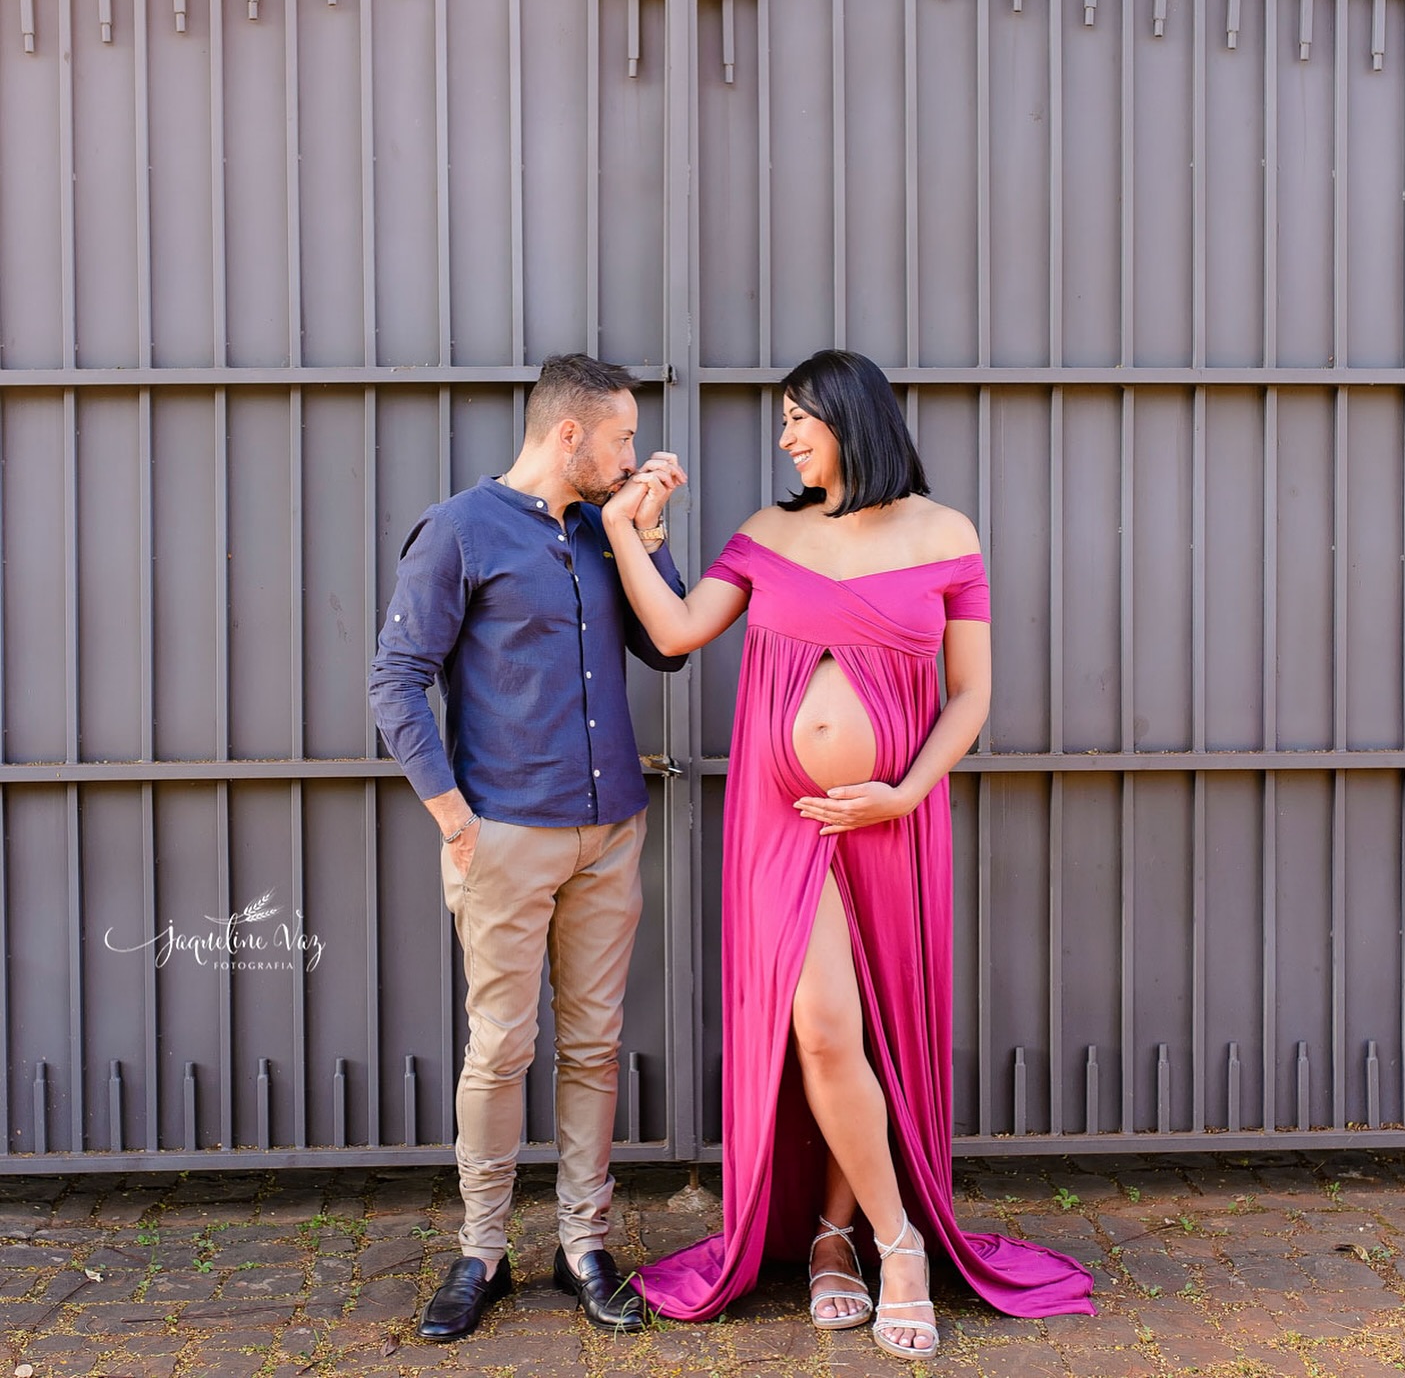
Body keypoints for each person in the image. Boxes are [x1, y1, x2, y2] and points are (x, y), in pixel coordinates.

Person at [600, 349, 1095, 1357]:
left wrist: (905, 788)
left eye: (799, 419)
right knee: (822, 1027)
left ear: (851, 418)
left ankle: (834, 1234)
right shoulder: (766, 533)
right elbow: (678, 627)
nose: (784, 438)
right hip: (782, 820)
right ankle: (899, 1240)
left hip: (892, 816)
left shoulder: (945, 533)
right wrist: (623, 531)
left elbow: (971, 695)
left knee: (866, 1032)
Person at [368, 354, 687, 1343]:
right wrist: (457, 819)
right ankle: (481, 1250)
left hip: (610, 832)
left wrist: (646, 535)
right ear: (569, 437)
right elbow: (395, 679)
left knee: (593, 1046)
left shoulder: (602, 528)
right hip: (502, 833)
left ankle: (584, 1245)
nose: (634, 453)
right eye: (623, 437)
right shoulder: (460, 530)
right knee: (501, 1047)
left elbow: (667, 643)